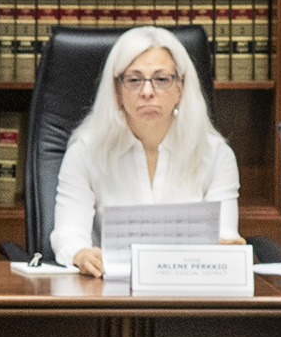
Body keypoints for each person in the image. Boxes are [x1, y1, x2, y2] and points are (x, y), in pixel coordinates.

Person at [49, 25, 241, 276]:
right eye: (134, 80)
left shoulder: (216, 155)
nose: (148, 92)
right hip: (107, 290)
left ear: (180, 87)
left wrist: (227, 248)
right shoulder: (86, 152)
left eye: (161, 80)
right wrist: (81, 254)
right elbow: (69, 233)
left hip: (188, 291)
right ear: (117, 90)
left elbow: (224, 235)